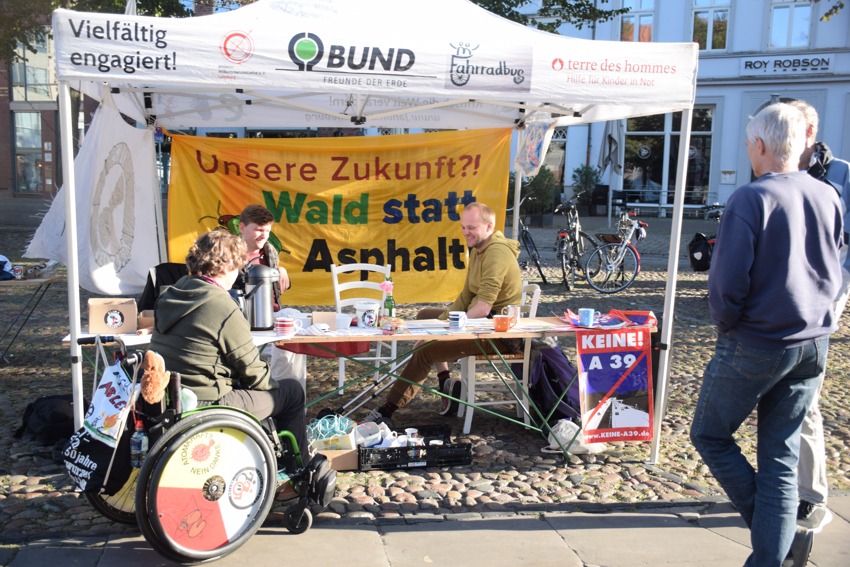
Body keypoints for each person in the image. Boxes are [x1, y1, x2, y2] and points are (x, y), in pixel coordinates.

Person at [689, 103, 843, 567]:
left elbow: (726, 285)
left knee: (710, 435)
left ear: (758, 145)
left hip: (758, 340)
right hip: (812, 339)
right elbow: (834, 265)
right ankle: (775, 550)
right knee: (780, 454)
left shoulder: (752, 198)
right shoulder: (826, 193)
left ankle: (775, 537)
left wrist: (728, 323)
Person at [148, 230, 309, 475]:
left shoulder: (170, 295)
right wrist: (270, 381)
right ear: (229, 266)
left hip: (170, 397)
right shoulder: (222, 305)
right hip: (210, 400)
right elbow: (254, 373)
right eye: (239, 267)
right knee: (291, 392)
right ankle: (297, 471)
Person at [363, 202, 523, 423]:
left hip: (498, 333)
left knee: (426, 350)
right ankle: (446, 383)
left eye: (471, 227)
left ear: (489, 225)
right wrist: (436, 324)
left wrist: (438, 334)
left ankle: (388, 410)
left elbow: (483, 306)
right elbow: (466, 297)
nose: (466, 232)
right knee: (425, 315)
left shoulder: (496, 252)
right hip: (481, 324)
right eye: (463, 227)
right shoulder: (479, 249)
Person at [787, 99, 850, 533]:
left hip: (820, 302)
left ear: (810, 131)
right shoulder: (775, 170)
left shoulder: (841, 175)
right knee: (779, 397)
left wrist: (835, 291)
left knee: (803, 396)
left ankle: (810, 494)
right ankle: (783, 484)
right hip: (777, 300)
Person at [232, 204, 306, 389]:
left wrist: (279, 270)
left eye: (267, 230)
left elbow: (276, 289)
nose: (263, 235)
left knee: (293, 320)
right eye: (258, 229)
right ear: (242, 228)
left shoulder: (270, 251)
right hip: (239, 318)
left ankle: (287, 386)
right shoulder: (230, 253)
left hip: (271, 315)